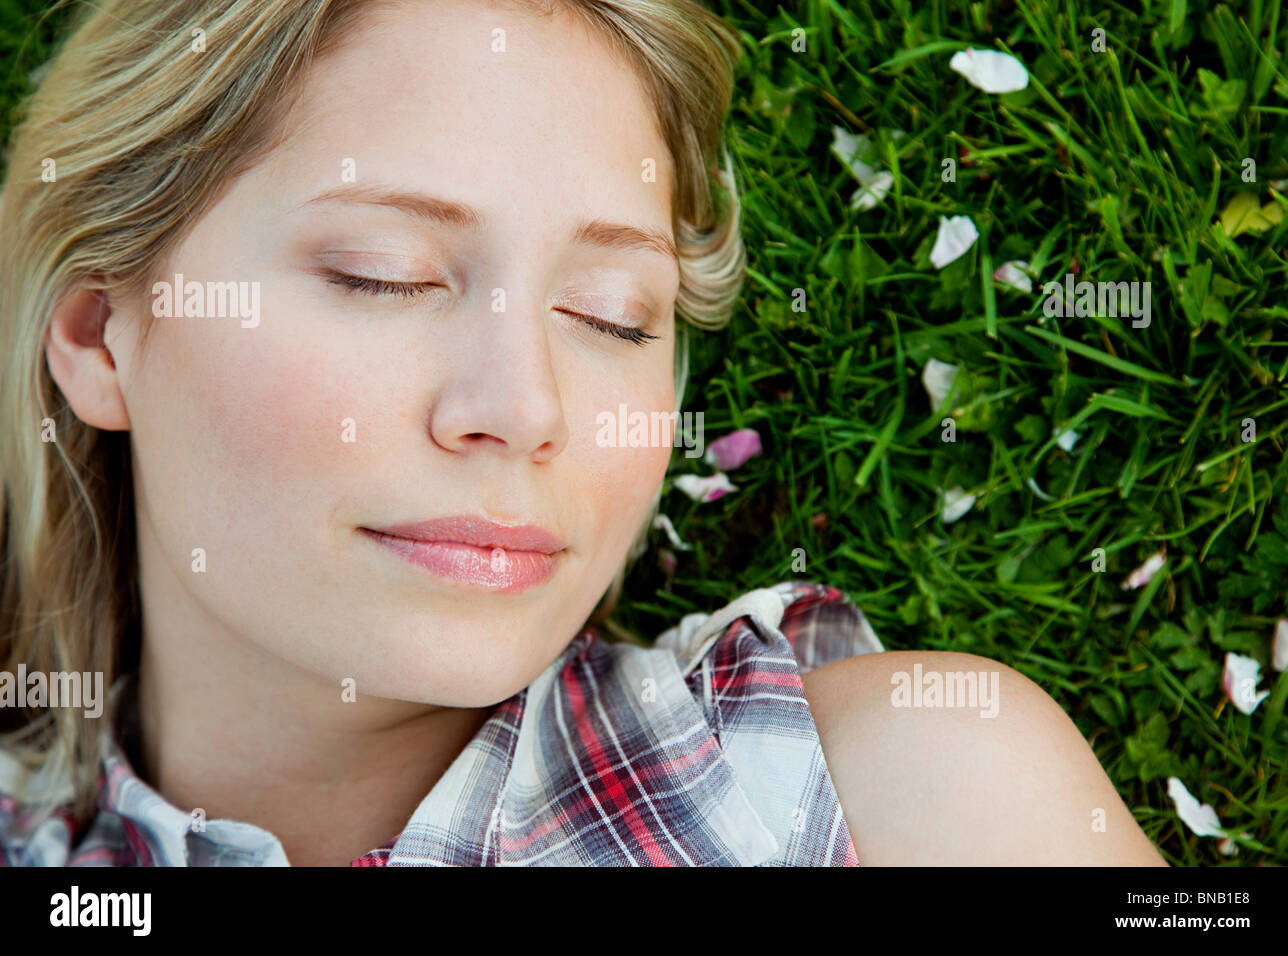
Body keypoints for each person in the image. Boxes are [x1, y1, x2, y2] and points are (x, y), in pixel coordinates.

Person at [0, 0, 1165, 866]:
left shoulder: (911, 798)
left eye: (612, 314)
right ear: (104, 333)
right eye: (385, 276)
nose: (525, 407)